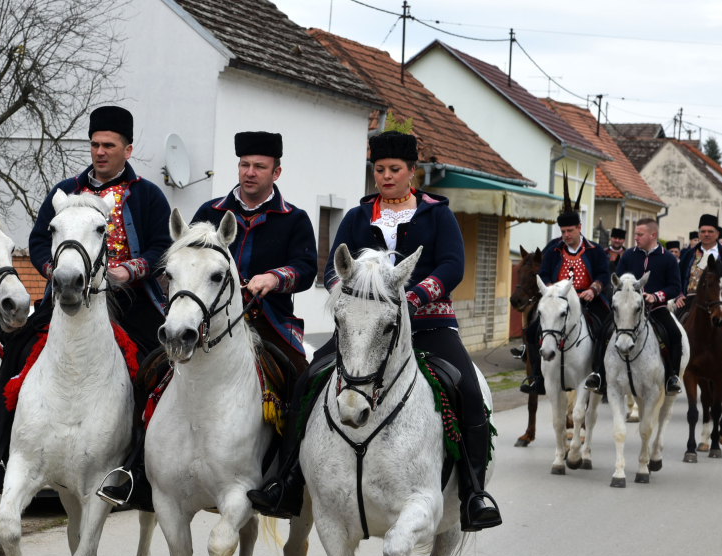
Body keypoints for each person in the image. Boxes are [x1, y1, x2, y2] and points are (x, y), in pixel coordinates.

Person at [247, 130, 501, 532]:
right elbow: (333, 266)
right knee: (308, 381)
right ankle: (288, 480)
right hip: (363, 329)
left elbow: (452, 265)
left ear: (412, 171)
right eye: (379, 169)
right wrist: (348, 303)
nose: (386, 176)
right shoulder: (356, 217)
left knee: (468, 390)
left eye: (394, 169)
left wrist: (412, 299)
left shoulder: (438, 214)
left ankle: (473, 492)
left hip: (429, 324)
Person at [0, 106, 173, 500]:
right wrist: (51, 268)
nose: (100, 152)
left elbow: (161, 247)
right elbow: (36, 239)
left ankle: (139, 467)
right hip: (67, 296)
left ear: (128, 149)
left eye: (109, 145)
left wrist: (129, 271)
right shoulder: (62, 192)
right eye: (95, 144)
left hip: (132, 301)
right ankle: (0, 456)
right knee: (16, 349)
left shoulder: (149, 195)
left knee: (159, 365)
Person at [188, 131, 317, 373]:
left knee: (299, 375)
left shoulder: (295, 219)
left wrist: (274, 277)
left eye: (259, 167)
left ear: (276, 173)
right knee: (160, 369)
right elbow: (189, 258)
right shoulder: (210, 211)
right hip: (207, 316)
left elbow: (307, 268)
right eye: (244, 164)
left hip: (269, 321)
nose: (250, 172)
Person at [518, 183, 611, 395]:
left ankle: (599, 375)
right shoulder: (553, 250)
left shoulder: (595, 250)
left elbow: (603, 274)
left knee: (605, 329)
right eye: (563, 231)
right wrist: (551, 289)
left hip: (588, 299)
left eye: (570, 231)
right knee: (532, 331)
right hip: (558, 299)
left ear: (579, 228)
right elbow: (544, 274)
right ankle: (537, 378)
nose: (566, 235)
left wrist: (593, 290)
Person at [613, 218, 683, 394]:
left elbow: (675, 287)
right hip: (626, 309)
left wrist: (655, 296)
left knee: (674, 335)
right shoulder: (628, 255)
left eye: (639, 234)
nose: (635, 237)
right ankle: (598, 374)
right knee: (602, 331)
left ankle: (671, 377)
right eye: (635, 234)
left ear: (653, 235)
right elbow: (616, 281)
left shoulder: (668, 258)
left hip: (655, 308)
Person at [676, 214, 722, 377]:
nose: (706, 234)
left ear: (717, 234)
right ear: (699, 233)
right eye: (703, 231)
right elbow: (678, 278)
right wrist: (679, 295)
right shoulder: (688, 253)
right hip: (692, 298)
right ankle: (674, 365)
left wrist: (721, 287)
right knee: (674, 324)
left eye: (710, 231)